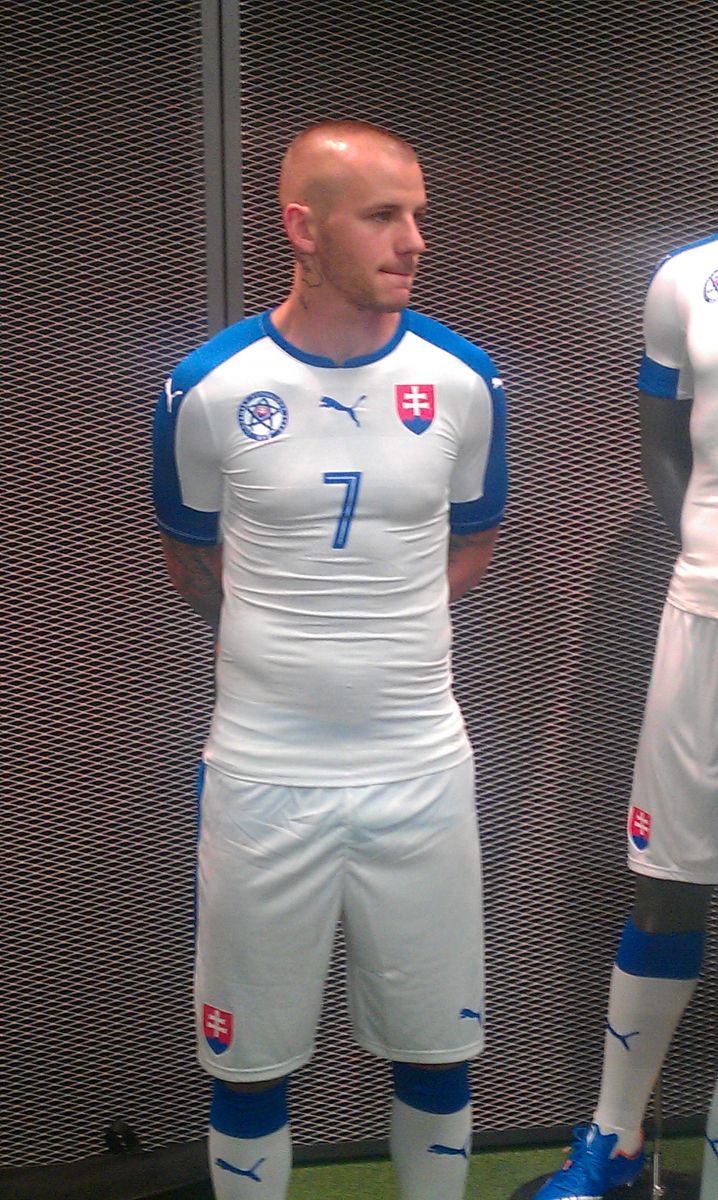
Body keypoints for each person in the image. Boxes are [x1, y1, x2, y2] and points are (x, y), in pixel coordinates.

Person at [152, 118, 508, 1200]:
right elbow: (192, 559)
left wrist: (379, 633)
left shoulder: (464, 379)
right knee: (248, 1064)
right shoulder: (209, 388)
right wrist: (292, 642)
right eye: (383, 216)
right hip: (264, 777)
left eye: (419, 216)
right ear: (302, 228)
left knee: (438, 1051)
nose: (414, 241)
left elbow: (474, 538)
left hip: (421, 770)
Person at [535, 232, 718, 1200]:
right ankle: (616, 1137)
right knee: (665, 885)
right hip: (704, 616)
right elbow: (660, 443)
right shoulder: (685, 277)